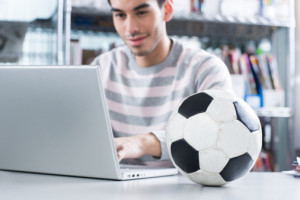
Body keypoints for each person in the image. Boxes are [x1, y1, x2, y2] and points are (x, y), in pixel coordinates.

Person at [91, 0, 233, 164]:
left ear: (166, 10)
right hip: (111, 188)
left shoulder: (205, 69)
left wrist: (143, 143)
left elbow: (221, 135)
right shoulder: (101, 68)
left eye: (142, 13)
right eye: (120, 15)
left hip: (184, 188)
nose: (131, 28)